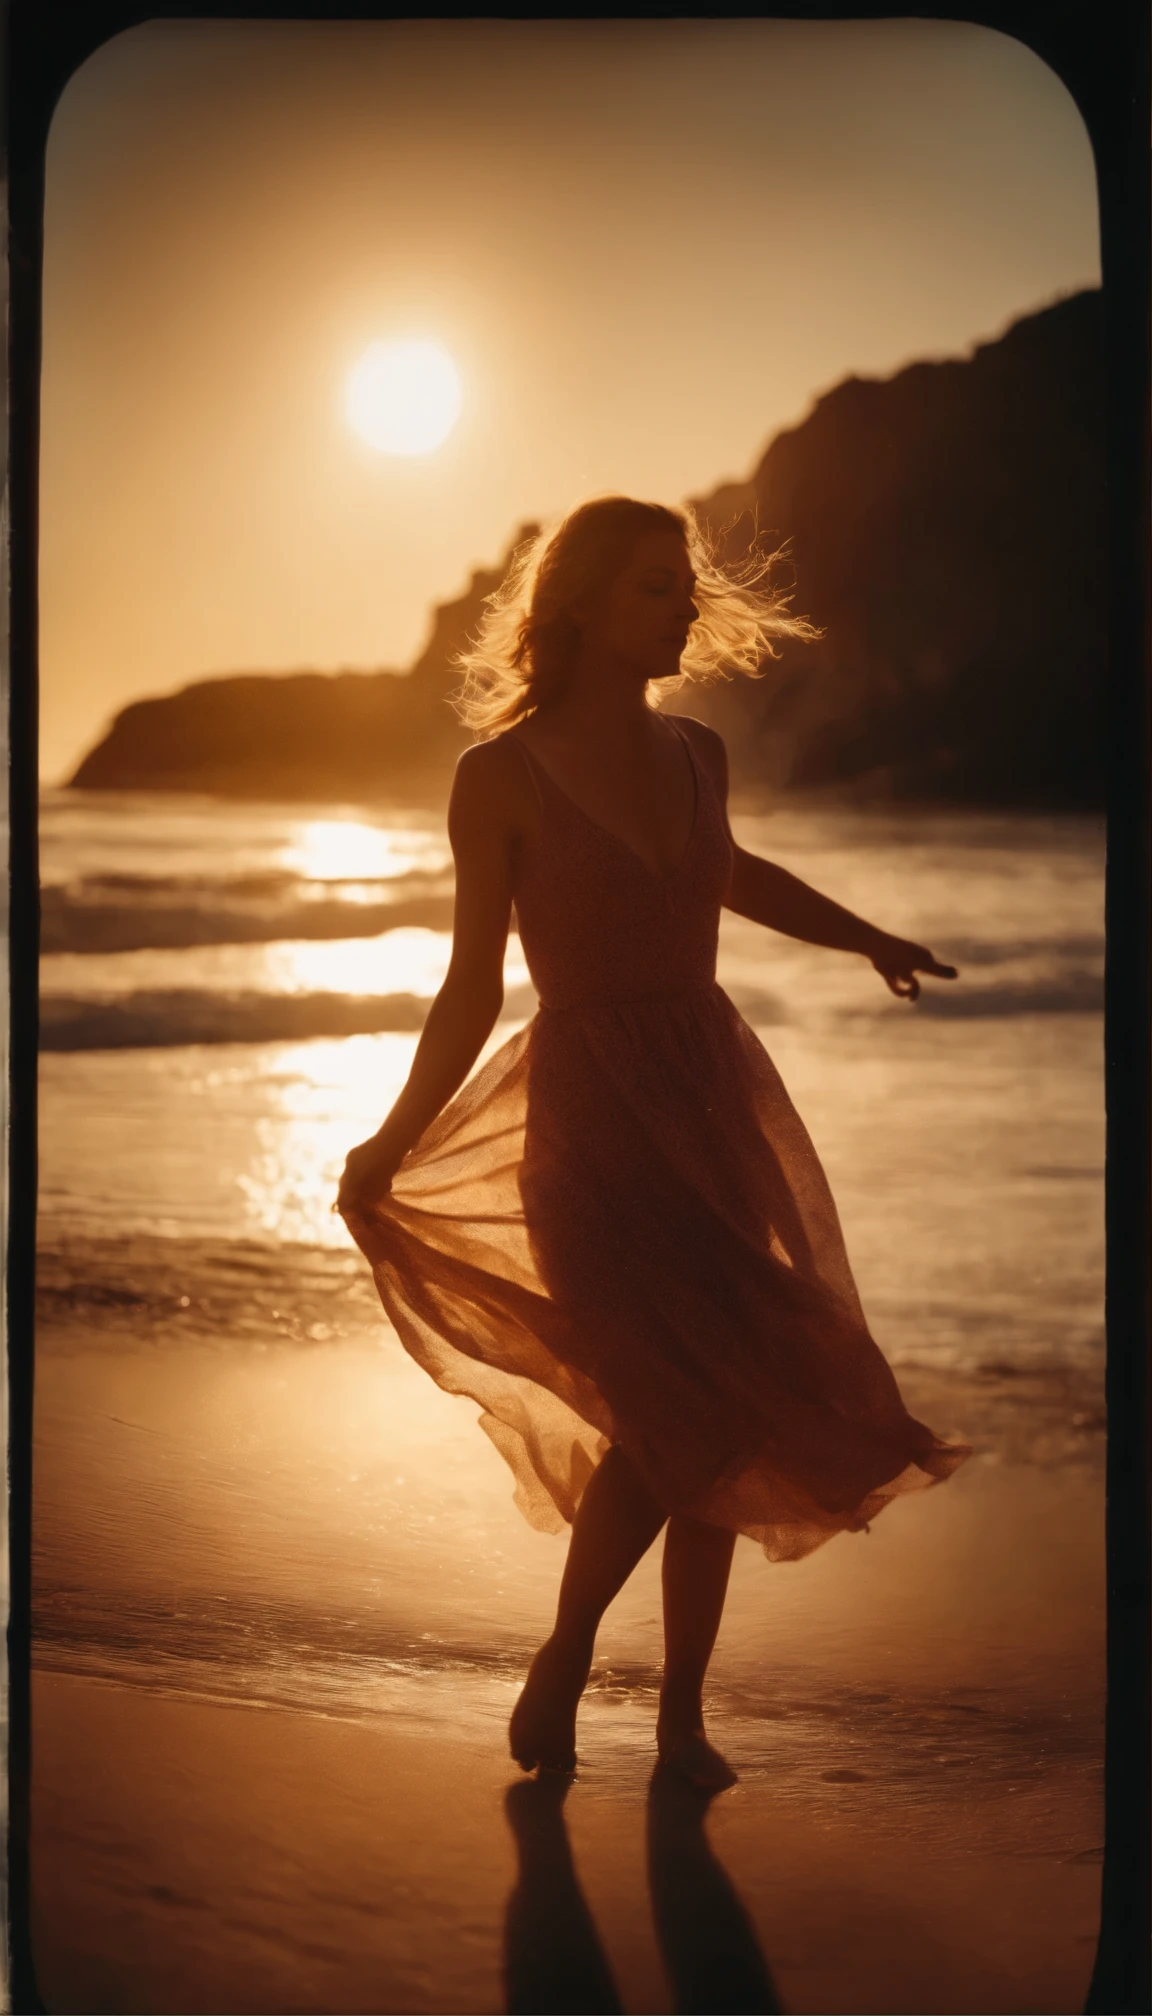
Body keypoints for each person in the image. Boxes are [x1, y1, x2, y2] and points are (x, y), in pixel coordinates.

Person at [337, 496, 969, 1791]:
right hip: (588, 1126)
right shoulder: (498, 779)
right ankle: (569, 1654)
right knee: (670, 1411)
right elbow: (468, 987)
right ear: (573, 607)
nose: (684, 604)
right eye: (654, 586)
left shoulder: (698, 754)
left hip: (713, 1108)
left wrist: (871, 938)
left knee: (725, 1410)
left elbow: (739, 878)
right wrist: (393, 1139)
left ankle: (683, 1720)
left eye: (684, 585)